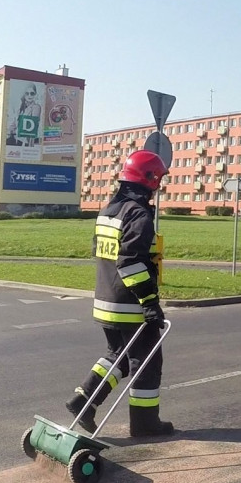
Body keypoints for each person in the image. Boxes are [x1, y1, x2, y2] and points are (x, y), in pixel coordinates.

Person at [66, 150, 175, 437]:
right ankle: (145, 423)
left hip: (105, 302)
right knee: (147, 362)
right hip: (131, 305)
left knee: (118, 357)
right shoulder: (138, 213)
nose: (159, 185)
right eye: (158, 178)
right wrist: (150, 303)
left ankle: (83, 401)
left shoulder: (109, 210)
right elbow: (130, 262)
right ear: (148, 178)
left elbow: (102, 253)